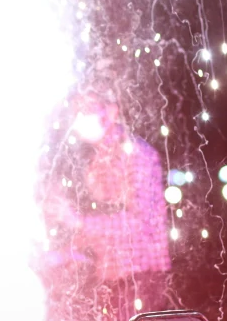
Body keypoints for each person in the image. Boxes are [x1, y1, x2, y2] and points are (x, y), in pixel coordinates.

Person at [49, 92, 172, 321]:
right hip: (114, 279)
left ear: (112, 112)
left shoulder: (136, 155)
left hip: (140, 279)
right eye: (77, 109)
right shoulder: (97, 161)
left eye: (87, 108)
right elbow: (106, 219)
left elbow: (139, 224)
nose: (80, 117)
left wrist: (77, 221)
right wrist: (71, 250)